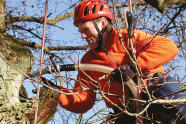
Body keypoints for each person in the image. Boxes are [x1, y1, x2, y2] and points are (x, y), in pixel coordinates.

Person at [33, 0, 183, 123]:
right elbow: (83, 99)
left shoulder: (127, 38)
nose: (83, 37)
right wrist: (59, 93)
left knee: (168, 90)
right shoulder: (88, 61)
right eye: (81, 32)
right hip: (127, 113)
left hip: (156, 94)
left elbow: (168, 47)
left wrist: (134, 66)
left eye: (86, 30)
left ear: (102, 23)